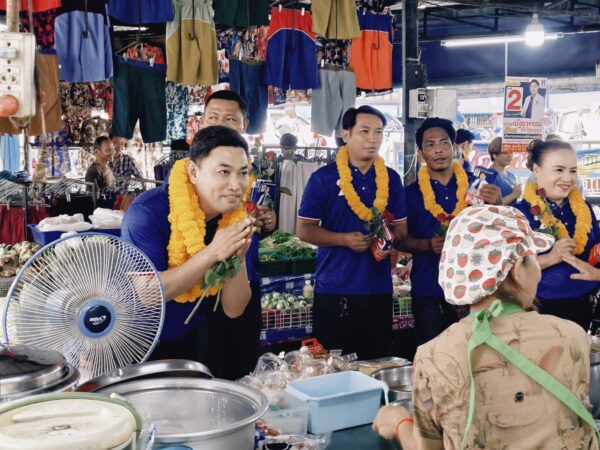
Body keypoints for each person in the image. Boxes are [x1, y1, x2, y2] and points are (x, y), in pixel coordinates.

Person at [374, 205, 599, 450]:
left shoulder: (434, 356)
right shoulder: (571, 336)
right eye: (534, 258)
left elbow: (427, 447)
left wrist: (399, 422)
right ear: (517, 270)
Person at [121, 126, 255, 373]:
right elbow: (148, 294)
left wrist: (238, 256)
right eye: (224, 172)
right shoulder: (147, 212)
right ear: (193, 172)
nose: (236, 185)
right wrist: (213, 253)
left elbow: (234, 308)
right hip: (145, 342)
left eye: (243, 173)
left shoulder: (236, 220)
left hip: (201, 336)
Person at [296, 105, 408, 359]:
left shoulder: (391, 179)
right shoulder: (323, 178)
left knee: (376, 364)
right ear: (346, 135)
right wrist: (343, 239)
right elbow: (304, 230)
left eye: (379, 132)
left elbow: (402, 229)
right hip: (334, 288)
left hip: (378, 289)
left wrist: (389, 241)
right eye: (365, 131)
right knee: (330, 365)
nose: (373, 139)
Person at [399, 118, 502, 347]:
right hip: (428, 289)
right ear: (421, 153)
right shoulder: (409, 194)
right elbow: (399, 241)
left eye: (444, 142)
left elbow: (499, 232)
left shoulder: (478, 187)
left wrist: (499, 204)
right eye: (430, 144)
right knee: (433, 354)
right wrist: (427, 245)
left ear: (454, 148)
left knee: (475, 354)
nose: (438, 150)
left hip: (474, 289)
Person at [196, 89, 277, 379]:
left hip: (246, 283)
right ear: (201, 123)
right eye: (213, 117)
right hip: (200, 289)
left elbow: (255, 224)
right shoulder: (189, 172)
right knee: (206, 373)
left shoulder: (252, 173)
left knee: (243, 372)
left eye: (230, 119)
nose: (221, 124)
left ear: (244, 125)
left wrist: (267, 223)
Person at [514, 139, 600, 330]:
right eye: (559, 170)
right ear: (537, 170)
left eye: (573, 171)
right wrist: (551, 257)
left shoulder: (584, 208)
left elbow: (597, 248)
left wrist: (596, 274)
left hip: (584, 303)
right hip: (538, 306)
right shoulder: (519, 213)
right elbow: (509, 268)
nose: (567, 178)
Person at [483, 137, 521, 205]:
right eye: (505, 153)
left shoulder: (511, 176)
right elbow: (490, 206)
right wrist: (514, 195)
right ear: (495, 155)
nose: (510, 155)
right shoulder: (489, 175)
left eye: (511, 152)